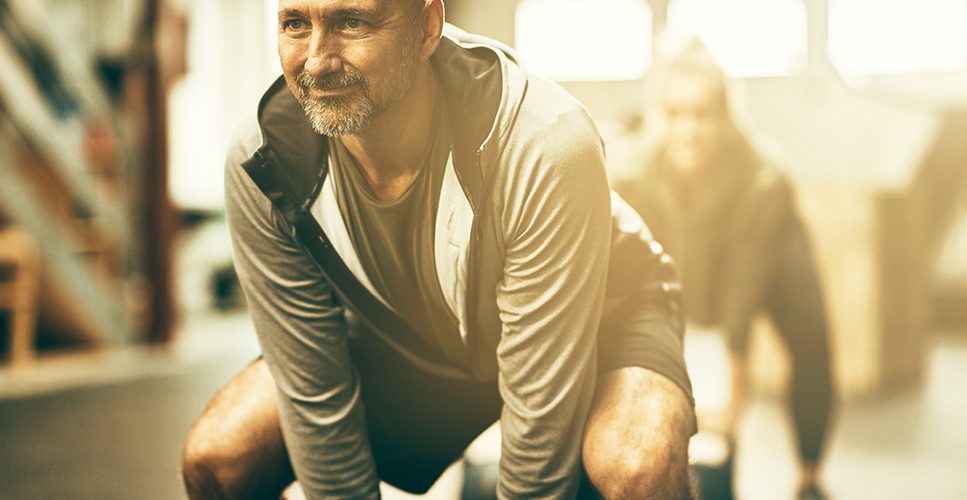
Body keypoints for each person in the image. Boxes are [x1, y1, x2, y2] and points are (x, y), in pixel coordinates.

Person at [181, 1, 697, 498]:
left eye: (352, 21)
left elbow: (538, 460)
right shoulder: (265, 163)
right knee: (219, 457)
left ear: (428, 25)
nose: (317, 59)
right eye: (295, 23)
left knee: (635, 465)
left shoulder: (544, 143)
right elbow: (315, 399)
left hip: (601, 314)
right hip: (414, 338)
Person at [613, 39, 835, 500]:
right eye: (675, 114)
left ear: (726, 116)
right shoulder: (631, 173)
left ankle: (810, 473)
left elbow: (742, 292)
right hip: (688, 265)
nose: (688, 129)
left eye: (702, 114)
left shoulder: (764, 180)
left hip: (766, 252)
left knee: (812, 332)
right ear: (658, 116)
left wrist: (732, 398)